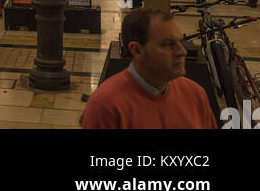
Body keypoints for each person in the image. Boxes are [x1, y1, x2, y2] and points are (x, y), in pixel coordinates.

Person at [81, 8, 217, 129]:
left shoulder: (195, 95)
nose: (182, 51)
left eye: (180, 42)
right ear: (137, 50)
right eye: (168, 44)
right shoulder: (106, 106)